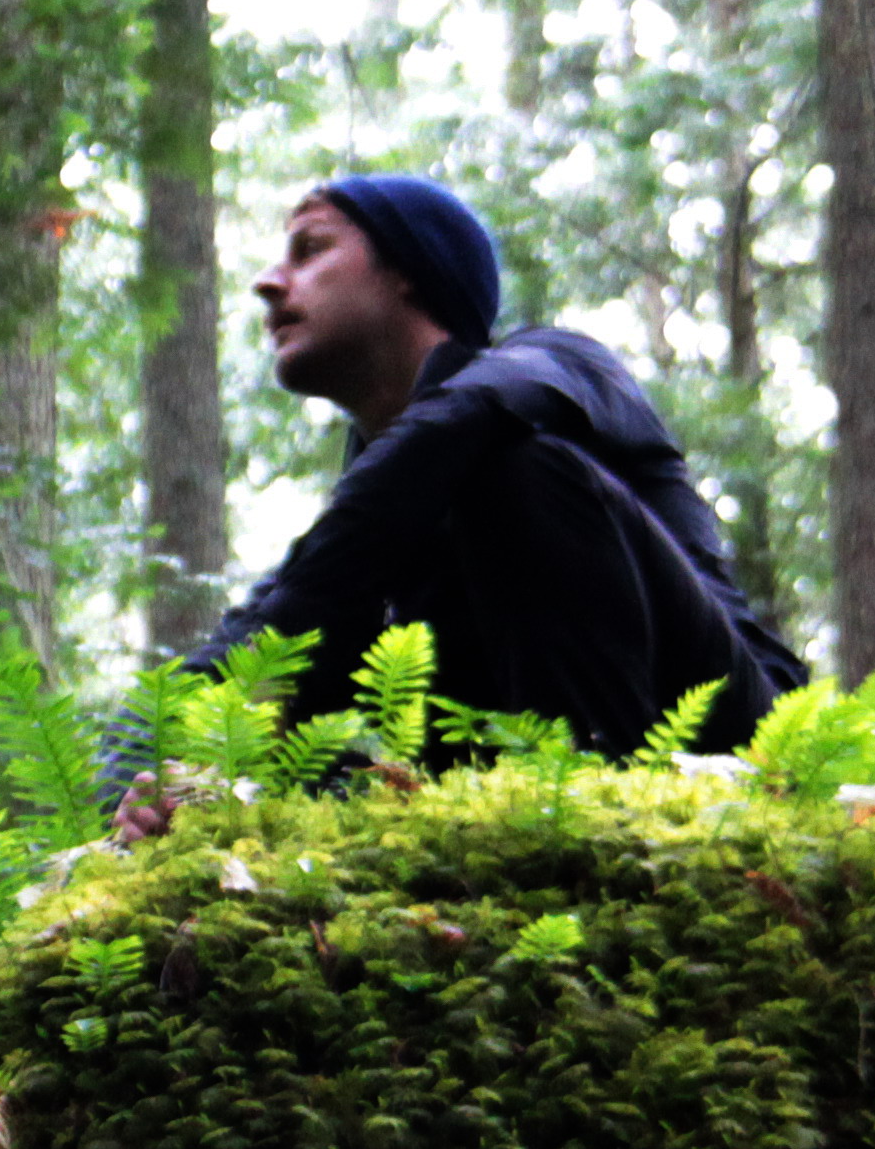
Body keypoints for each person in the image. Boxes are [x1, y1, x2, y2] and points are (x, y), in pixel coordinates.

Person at [167, 173, 808, 758]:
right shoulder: (364, 509)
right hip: (501, 767)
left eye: (310, 250)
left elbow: (438, 441)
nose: (268, 282)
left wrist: (294, 623)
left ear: (407, 269)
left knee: (512, 471)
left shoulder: (559, 365)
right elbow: (244, 641)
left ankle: (594, 818)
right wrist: (146, 784)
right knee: (331, 651)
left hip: (734, 735)